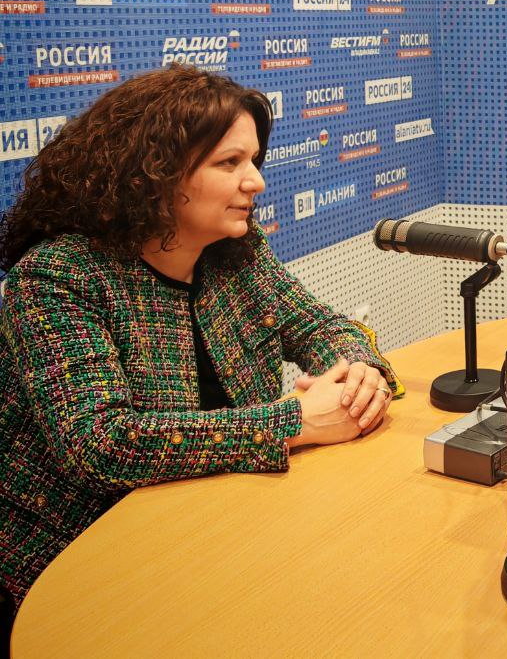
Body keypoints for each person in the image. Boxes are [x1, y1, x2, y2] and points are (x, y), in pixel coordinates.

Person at [0, 65, 397, 638]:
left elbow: (319, 326)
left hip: (218, 527)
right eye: (229, 163)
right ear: (153, 173)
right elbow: (100, 444)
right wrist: (294, 422)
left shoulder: (235, 250)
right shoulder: (58, 276)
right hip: (83, 570)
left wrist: (360, 370)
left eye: (253, 160)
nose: (255, 181)